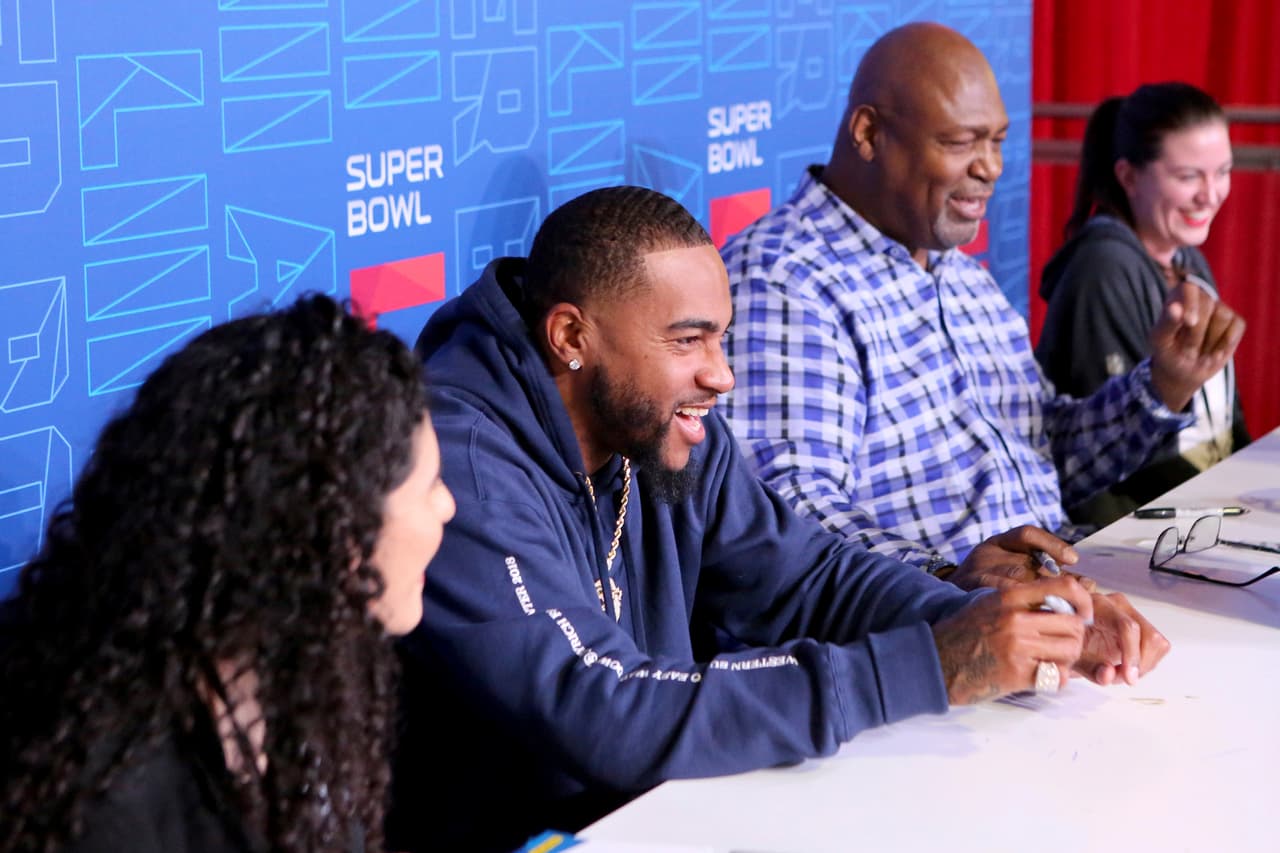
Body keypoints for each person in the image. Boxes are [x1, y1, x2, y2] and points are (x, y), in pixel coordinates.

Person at [388, 186, 1163, 853]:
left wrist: (998, 623)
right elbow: (603, 707)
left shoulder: (658, 423)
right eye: (687, 339)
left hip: (665, 814)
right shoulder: (461, 458)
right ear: (571, 337)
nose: (720, 375)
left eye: (720, 336)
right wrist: (927, 664)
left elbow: (808, 576)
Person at [720, 22, 1244, 584]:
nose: (991, 167)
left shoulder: (964, 277)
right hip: (935, 631)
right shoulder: (784, 279)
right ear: (869, 134)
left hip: (1063, 585)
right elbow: (789, 514)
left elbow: (1048, 454)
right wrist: (948, 577)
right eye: (960, 142)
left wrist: (1162, 387)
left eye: (995, 141)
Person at [0, 295, 456, 853]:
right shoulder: (110, 793)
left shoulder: (307, 676)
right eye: (430, 486)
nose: (448, 507)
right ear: (335, 532)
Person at [1036, 82, 1249, 527]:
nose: (1211, 195)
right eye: (1189, 176)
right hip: (1136, 534)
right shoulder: (1103, 267)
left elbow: (1227, 418)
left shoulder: (1188, 258)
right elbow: (1117, 455)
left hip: (1205, 514)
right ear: (1129, 177)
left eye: (1223, 171)